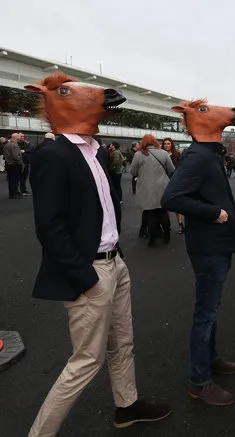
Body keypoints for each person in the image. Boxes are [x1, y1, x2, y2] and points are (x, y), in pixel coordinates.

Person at [24, 71, 171, 436]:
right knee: (86, 360)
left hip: (114, 263)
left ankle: (128, 406)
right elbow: (50, 227)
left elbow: (105, 207)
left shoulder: (97, 152)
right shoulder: (53, 156)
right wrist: (85, 276)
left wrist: (116, 257)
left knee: (123, 343)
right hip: (90, 271)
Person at [161, 99, 235, 406]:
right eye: (207, 110)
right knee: (205, 313)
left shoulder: (207, 153)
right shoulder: (198, 155)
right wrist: (214, 213)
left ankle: (211, 360)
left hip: (216, 244)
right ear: (197, 120)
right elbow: (171, 197)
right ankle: (200, 381)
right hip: (209, 245)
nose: (227, 110)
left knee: (211, 308)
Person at [130, 134, 175, 246]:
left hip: (146, 188)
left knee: (150, 212)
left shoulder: (138, 155)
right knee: (163, 211)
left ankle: (152, 239)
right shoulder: (163, 153)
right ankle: (167, 236)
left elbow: (133, 172)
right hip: (162, 187)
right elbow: (171, 169)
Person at [162, 137, 185, 234]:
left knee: (177, 205)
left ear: (171, 144)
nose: (166, 145)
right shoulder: (161, 154)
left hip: (175, 181)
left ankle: (180, 224)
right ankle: (167, 225)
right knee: (165, 205)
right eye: (165, 144)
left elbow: (181, 168)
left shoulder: (177, 155)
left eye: (168, 143)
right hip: (163, 181)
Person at [3, 133, 24, 199]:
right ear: (16, 138)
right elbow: (16, 157)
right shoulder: (14, 145)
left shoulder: (7, 145)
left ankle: (12, 194)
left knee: (11, 180)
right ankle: (14, 194)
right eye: (18, 138)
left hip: (9, 165)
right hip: (15, 165)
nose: (18, 139)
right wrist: (21, 163)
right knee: (15, 180)